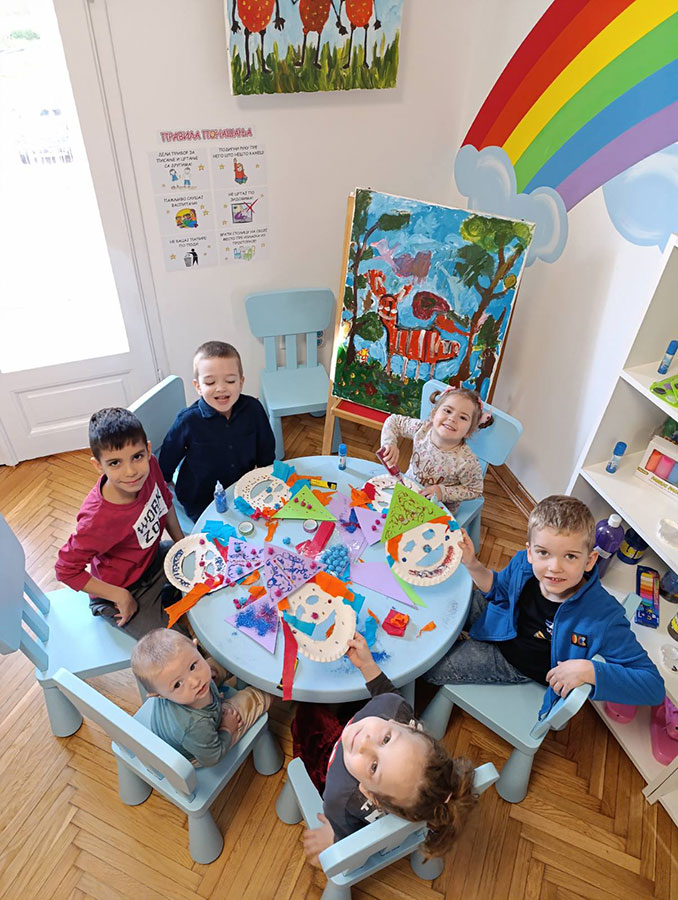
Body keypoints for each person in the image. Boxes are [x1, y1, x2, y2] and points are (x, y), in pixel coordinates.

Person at [425, 495, 665, 715]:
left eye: (570, 556)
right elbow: (499, 592)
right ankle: (458, 637)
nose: (554, 567)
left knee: (431, 668)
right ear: (530, 552)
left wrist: (589, 670)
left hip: (514, 659)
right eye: (543, 553)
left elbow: (653, 687)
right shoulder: (524, 563)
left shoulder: (603, 617)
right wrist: (472, 564)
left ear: (590, 560)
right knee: (439, 610)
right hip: (504, 619)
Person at [297, 634, 478, 863]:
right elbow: (385, 692)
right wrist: (366, 665)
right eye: (386, 739)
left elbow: (347, 833)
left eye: (373, 767)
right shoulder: (394, 706)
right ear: (406, 724)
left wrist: (333, 836)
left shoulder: (339, 795)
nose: (364, 743)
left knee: (306, 718)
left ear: (369, 794)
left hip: (328, 758)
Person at [55, 408, 187, 638]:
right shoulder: (96, 520)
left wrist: (182, 544)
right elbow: (65, 570)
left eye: (137, 457)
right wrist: (120, 596)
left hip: (152, 561)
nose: (131, 471)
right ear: (99, 466)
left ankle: (166, 596)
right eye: (115, 462)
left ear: (147, 450)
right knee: (177, 643)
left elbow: (165, 502)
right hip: (120, 592)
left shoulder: (151, 466)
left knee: (212, 568)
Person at [158, 341, 275, 522]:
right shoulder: (188, 421)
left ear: (241, 382)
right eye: (210, 382)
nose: (221, 388)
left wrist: (266, 477)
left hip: (242, 490)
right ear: (198, 386)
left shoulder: (253, 409)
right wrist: (163, 487)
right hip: (200, 499)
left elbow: (266, 450)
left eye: (230, 381)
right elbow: (166, 461)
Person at [132, 629, 272, 767]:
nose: (195, 682)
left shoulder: (169, 685)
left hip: (195, 724)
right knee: (260, 695)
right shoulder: (195, 727)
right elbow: (213, 757)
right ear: (159, 696)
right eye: (177, 684)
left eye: (192, 666)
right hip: (201, 751)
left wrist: (206, 672)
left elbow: (188, 674)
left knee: (222, 660)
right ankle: (268, 691)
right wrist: (227, 728)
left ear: (195, 647)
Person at [379, 386, 490, 514]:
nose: (452, 419)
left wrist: (442, 492)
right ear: (433, 415)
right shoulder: (422, 429)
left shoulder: (466, 461)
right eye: (448, 410)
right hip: (408, 489)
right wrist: (389, 443)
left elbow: (475, 490)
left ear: (468, 431)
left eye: (463, 418)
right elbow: (393, 421)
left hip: (438, 509)